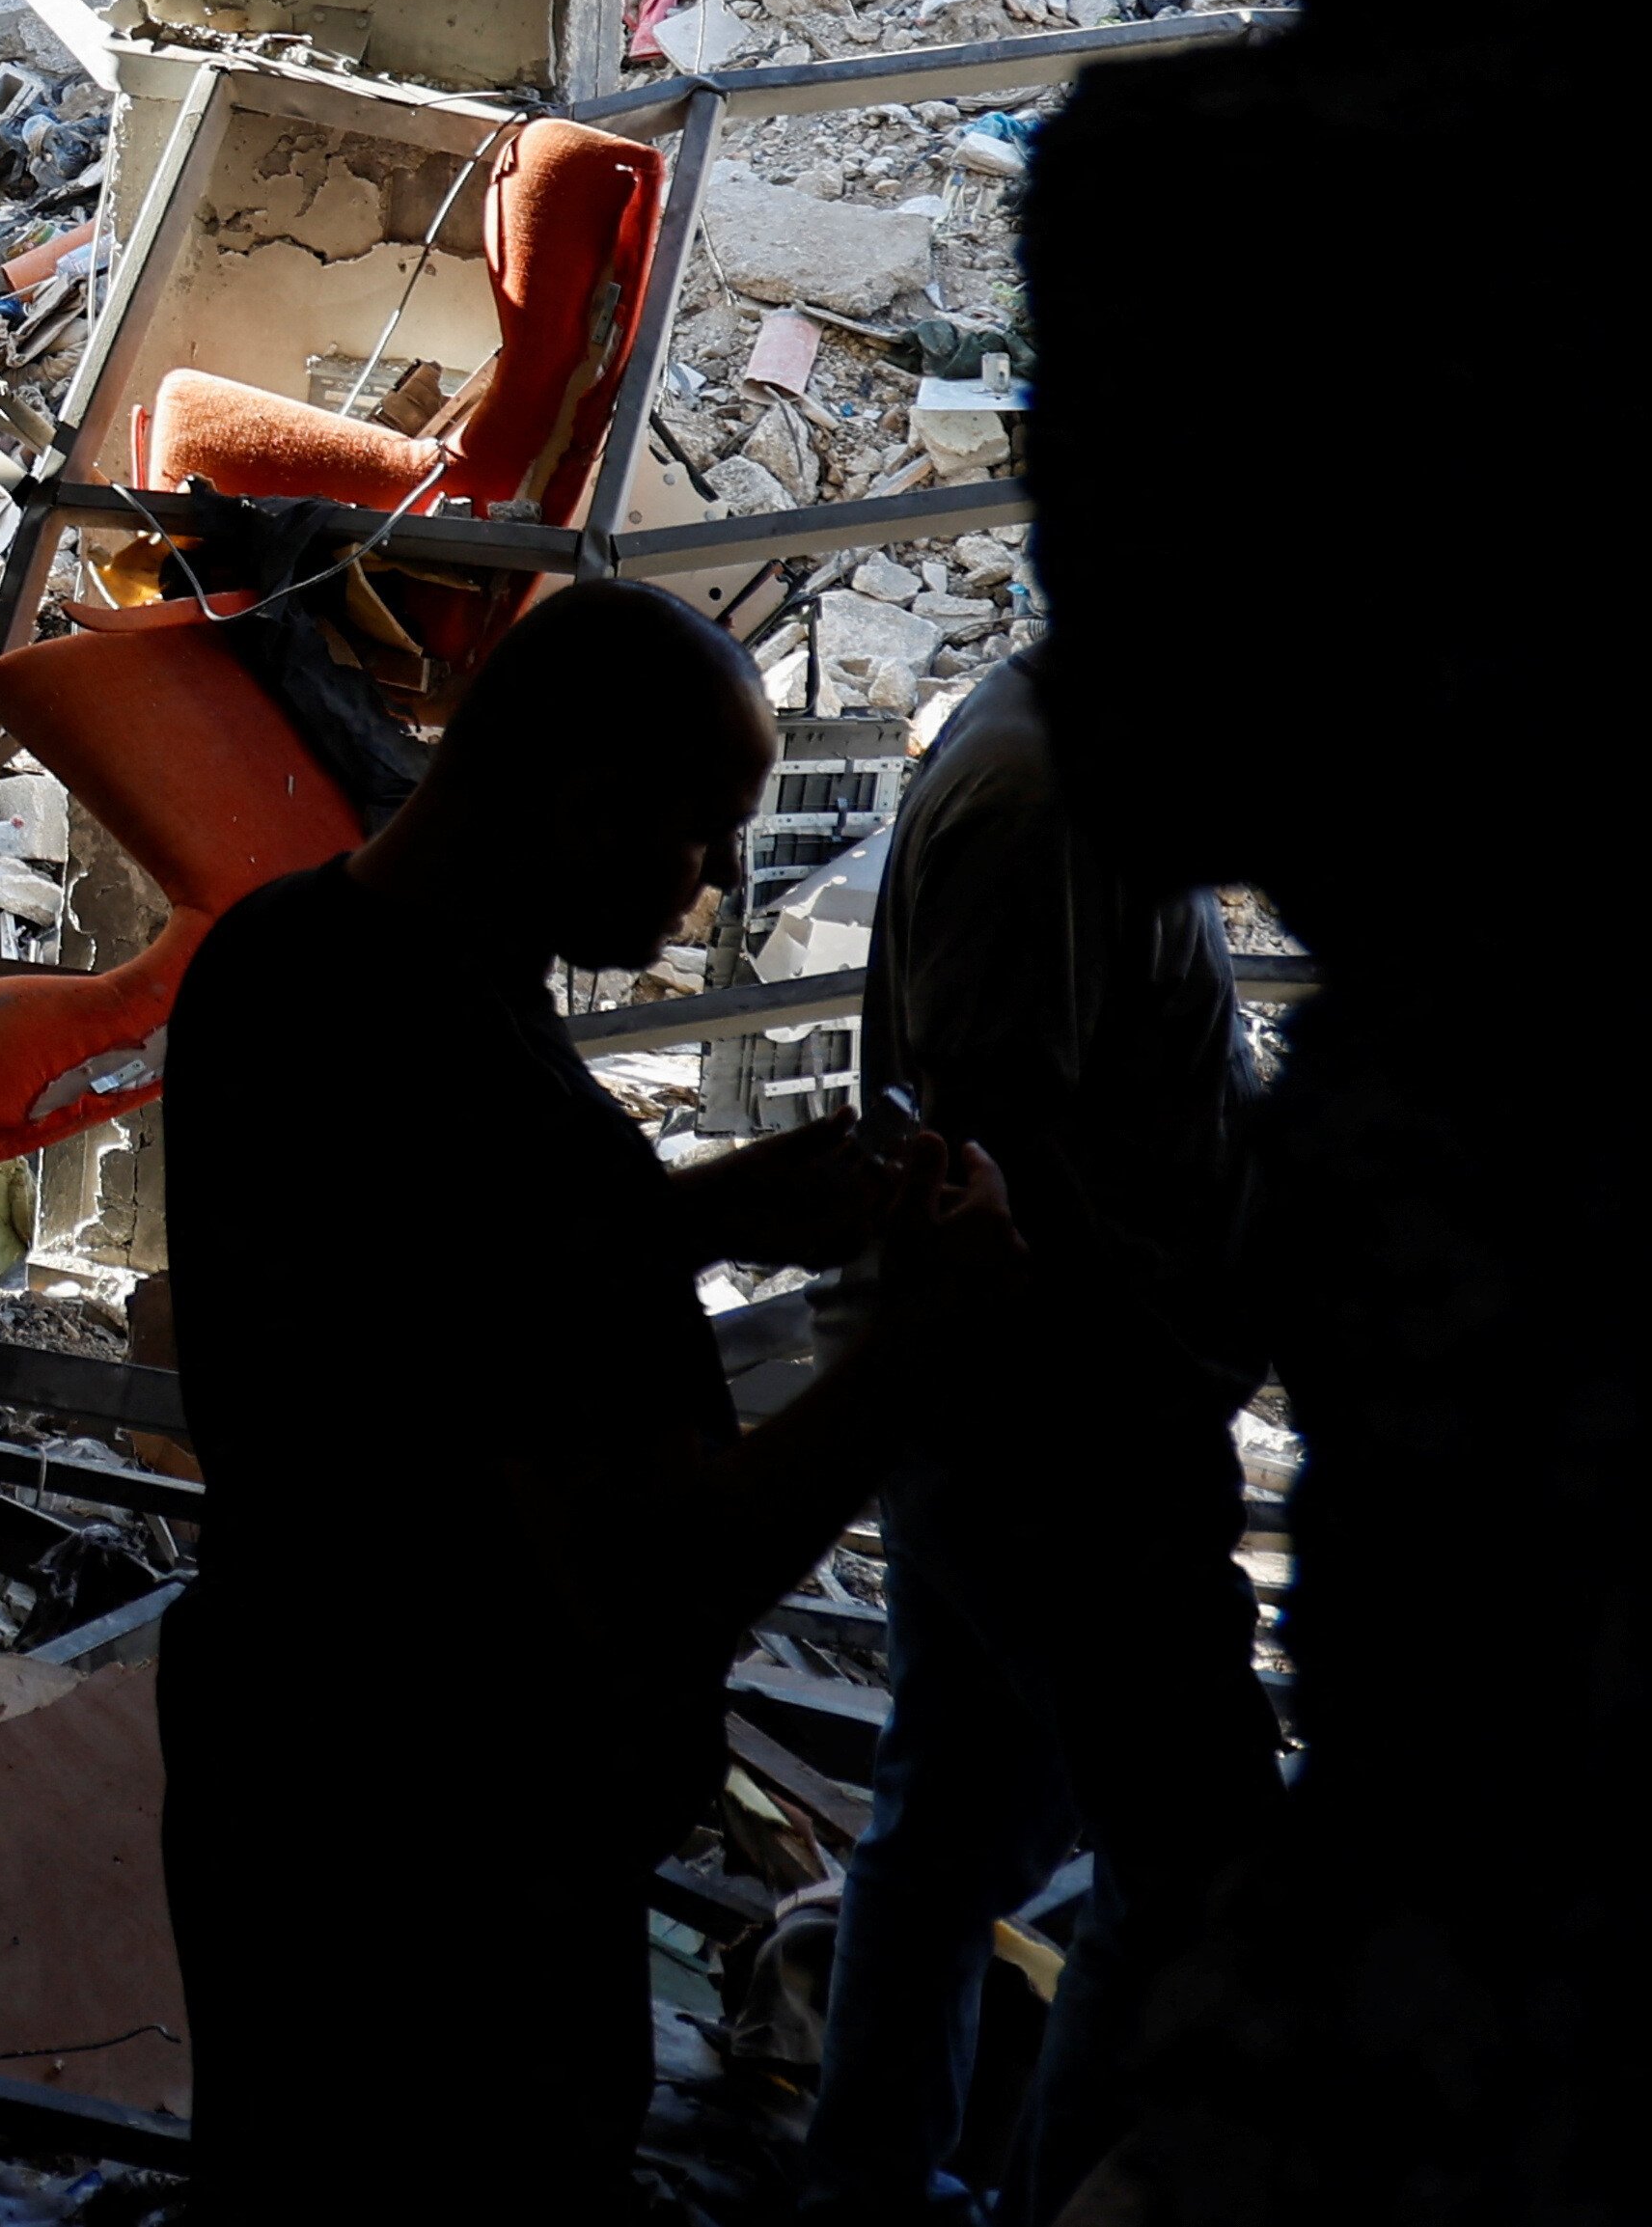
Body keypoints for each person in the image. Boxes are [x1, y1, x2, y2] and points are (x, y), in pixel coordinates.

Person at [157, 581, 1013, 2215]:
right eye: (698, 834)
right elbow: (670, 1562)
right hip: (456, 1849)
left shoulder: (286, 962)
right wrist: (923, 1338)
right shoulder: (497, 1106)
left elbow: (417, 1303)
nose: (709, 885)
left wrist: (691, 1214)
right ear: (586, 807)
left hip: (284, 1761)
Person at [793, 653, 1280, 2227]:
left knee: (948, 1817)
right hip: (1071, 1440)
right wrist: (1168, 1363)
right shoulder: (1043, 799)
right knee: (1194, 1868)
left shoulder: (1078, 765)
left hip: (1023, 1423)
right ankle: (1055, 2197)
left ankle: (871, 2179)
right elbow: (1008, 1163)